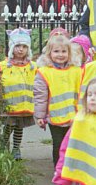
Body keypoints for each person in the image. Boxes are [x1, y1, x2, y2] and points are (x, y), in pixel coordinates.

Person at [34, 28, 82, 166]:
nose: (60, 55)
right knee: (58, 145)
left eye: (63, 51)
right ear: (49, 53)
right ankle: (59, 169)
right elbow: (40, 97)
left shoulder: (77, 71)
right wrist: (40, 117)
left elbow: (83, 92)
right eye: (56, 51)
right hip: (54, 117)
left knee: (74, 145)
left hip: (75, 116)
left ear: (69, 53)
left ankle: (72, 169)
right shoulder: (44, 73)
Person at [0, 28, 36, 160]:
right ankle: (3, 145)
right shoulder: (4, 66)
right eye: (17, 46)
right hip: (10, 105)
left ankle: (16, 148)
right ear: (12, 47)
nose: (21, 49)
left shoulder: (33, 67)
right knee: (8, 127)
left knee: (19, 128)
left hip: (24, 105)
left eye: (24, 46)